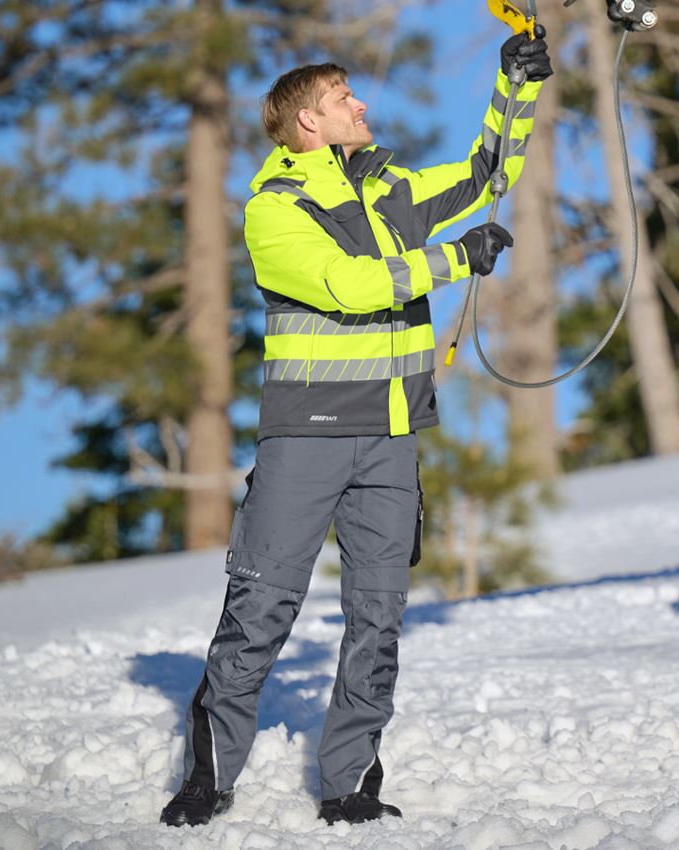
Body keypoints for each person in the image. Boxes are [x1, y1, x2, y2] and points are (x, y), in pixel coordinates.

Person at [160, 30, 553, 828]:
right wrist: (452, 261)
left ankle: (348, 784)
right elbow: (348, 286)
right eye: (343, 98)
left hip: (393, 434)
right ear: (308, 122)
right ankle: (208, 779)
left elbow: (486, 176)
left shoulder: (391, 190)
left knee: (379, 615)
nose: (360, 104)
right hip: (307, 434)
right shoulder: (276, 208)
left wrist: (516, 87)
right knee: (261, 607)